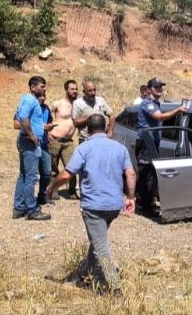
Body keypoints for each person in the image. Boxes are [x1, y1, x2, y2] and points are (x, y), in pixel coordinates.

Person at [46, 114, 136, 295]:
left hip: (94, 206)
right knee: (97, 240)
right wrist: (130, 197)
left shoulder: (84, 148)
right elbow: (131, 174)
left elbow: (66, 175)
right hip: (113, 205)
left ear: (87, 129)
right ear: (104, 128)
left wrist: (51, 187)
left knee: (101, 246)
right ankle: (85, 278)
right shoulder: (120, 148)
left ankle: (114, 287)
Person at [133, 78, 188, 210]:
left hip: (152, 143)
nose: (160, 89)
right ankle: (142, 205)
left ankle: (149, 203)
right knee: (145, 173)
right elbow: (159, 117)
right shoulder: (148, 104)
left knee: (151, 173)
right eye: (157, 87)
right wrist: (178, 110)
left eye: (161, 87)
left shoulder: (157, 103)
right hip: (146, 142)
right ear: (150, 89)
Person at [13, 76, 52, 221]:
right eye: (42, 86)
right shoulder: (29, 100)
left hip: (26, 141)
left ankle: (19, 208)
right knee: (30, 177)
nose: (44, 89)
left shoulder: (29, 100)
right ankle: (32, 209)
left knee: (23, 175)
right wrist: (32, 136)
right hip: (29, 143)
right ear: (32, 87)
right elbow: (22, 118)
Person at [69, 80, 114, 198]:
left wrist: (110, 131)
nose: (93, 92)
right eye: (90, 90)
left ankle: (100, 190)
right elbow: (75, 122)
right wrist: (88, 117)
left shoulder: (100, 100)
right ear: (84, 91)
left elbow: (111, 115)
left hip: (101, 139)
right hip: (86, 139)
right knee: (85, 167)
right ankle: (84, 191)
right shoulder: (78, 103)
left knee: (101, 165)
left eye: (94, 90)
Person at [48, 80, 79, 202]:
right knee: (53, 167)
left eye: (76, 89)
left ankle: (71, 191)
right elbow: (44, 112)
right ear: (66, 90)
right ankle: (54, 190)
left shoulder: (79, 105)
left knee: (72, 166)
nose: (75, 91)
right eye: (72, 89)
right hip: (55, 139)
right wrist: (47, 131)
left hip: (69, 141)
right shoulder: (58, 103)